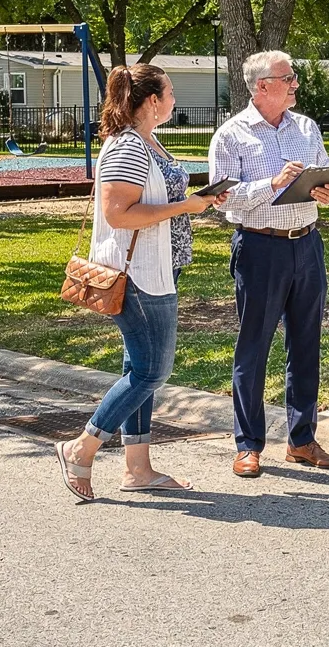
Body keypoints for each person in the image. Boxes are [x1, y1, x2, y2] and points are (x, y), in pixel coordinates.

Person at [53, 64, 219, 502]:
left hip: (161, 266)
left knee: (138, 368)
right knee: (152, 371)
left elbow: (157, 198)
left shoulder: (147, 140)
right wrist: (185, 206)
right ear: (151, 101)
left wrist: (198, 201)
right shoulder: (128, 146)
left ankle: (138, 469)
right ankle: (81, 447)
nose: (174, 100)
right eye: (170, 93)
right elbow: (118, 214)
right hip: (139, 274)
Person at [208, 50, 329, 478]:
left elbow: (323, 175)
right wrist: (274, 182)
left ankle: (302, 440)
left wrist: (325, 191)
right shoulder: (231, 135)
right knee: (254, 346)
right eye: (289, 78)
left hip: (307, 244)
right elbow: (223, 199)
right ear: (262, 85)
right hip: (260, 248)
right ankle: (248, 444)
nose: (296, 84)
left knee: (306, 346)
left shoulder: (306, 127)